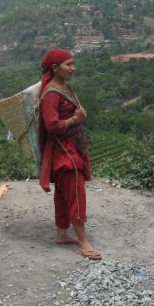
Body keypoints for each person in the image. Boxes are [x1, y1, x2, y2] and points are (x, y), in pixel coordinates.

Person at [37, 48, 101, 260]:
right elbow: (52, 125)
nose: (73, 68)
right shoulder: (51, 95)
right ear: (55, 68)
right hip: (64, 151)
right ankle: (83, 242)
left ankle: (62, 234)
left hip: (72, 146)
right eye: (69, 65)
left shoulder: (63, 88)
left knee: (64, 194)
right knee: (75, 190)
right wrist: (76, 119)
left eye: (73, 64)